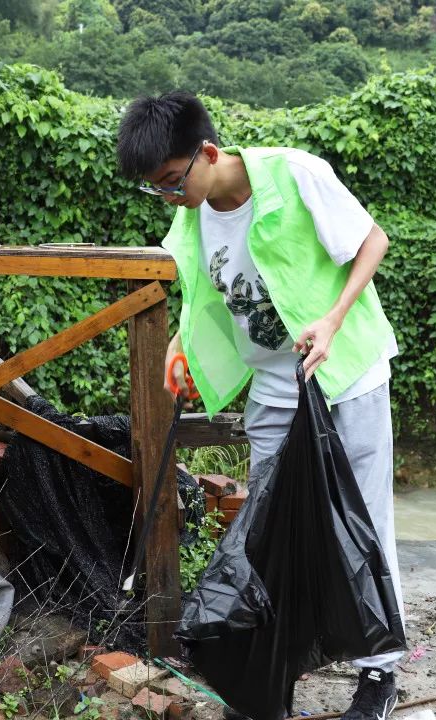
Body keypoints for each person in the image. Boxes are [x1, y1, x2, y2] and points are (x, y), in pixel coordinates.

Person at [116, 91, 405, 720]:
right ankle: (275, 677)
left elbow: (372, 241)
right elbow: (204, 301)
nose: (169, 196)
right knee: (272, 532)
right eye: (156, 189)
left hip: (345, 375)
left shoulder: (292, 174)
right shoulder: (190, 221)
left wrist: (330, 320)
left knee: (364, 519)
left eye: (172, 180)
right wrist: (179, 348)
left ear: (208, 152)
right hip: (276, 389)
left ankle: (379, 675)